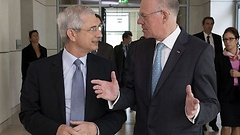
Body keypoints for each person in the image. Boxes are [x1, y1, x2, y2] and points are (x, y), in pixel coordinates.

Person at [91, 0, 220, 134]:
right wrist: (116, 96)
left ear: (164, 15)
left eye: (144, 16)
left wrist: (196, 110)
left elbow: (212, 103)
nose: (139, 21)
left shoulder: (199, 51)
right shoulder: (137, 49)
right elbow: (132, 91)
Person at [19, 5, 126, 135]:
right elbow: (28, 113)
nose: (99, 34)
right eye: (93, 29)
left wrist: (96, 128)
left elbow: (118, 113)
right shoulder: (39, 70)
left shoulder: (106, 68)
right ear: (72, 34)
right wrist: (56, 130)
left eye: (98, 28)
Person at [193, 16, 223, 132]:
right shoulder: (196, 38)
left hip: (215, 71)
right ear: (203, 25)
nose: (209, 26)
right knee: (202, 94)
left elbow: (219, 55)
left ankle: (213, 121)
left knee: (213, 95)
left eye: (211, 23)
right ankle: (203, 122)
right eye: (207, 23)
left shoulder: (217, 38)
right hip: (201, 71)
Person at [215, 27, 240, 135]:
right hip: (225, 95)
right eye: (225, 39)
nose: (227, 42)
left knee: (237, 125)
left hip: (239, 94)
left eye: (230, 39)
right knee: (226, 125)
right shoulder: (220, 57)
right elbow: (216, 78)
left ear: (237, 39)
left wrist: (239, 74)